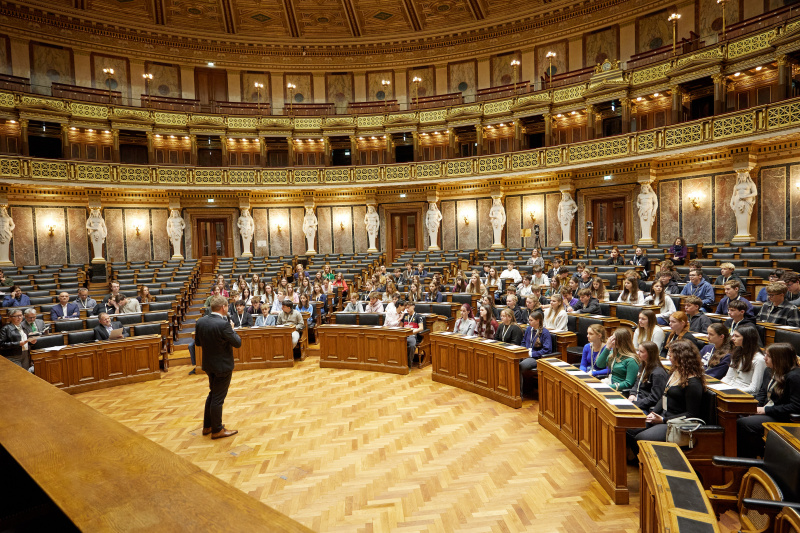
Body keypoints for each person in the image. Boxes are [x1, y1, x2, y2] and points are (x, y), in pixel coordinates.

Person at [628, 340, 705, 449]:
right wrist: (653, 413)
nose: (668, 356)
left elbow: (691, 414)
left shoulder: (693, 383)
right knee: (628, 429)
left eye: (671, 353)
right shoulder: (675, 372)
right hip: (662, 416)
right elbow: (664, 396)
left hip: (675, 423)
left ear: (681, 356)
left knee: (640, 438)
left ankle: (648, 460)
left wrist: (664, 420)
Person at [736, 343, 800, 458]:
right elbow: (762, 393)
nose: (764, 358)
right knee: (737, 414)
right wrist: (754, 408)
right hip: (768, 410)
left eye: (768, 356)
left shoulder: (794, 376)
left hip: (782, 416)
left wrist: (765, 410)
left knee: (744, 423)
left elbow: (795, 407)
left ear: (780, 359)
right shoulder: (769, 371)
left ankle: (753, 460)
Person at [194, 295, 241, 440]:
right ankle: (217, 430)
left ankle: (207, 426)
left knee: (213, 394)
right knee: (218, 398)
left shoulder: (201, 321)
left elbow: (198, 343)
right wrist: (232, 329)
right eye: (227, 306)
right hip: (222, 366)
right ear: (223, 307)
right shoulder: (224, 324)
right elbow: (237, 343)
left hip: (209, 365)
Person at [721, 325, 766, 395]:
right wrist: (718, 387)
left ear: (747, 338)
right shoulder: (737, 352)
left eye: (737, 336)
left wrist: (731, 391)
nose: (732, 338)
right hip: (731, 388)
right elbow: (728, 378)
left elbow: (754, 389)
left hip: (744, 394)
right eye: (733, 335)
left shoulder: (759, 360)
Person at [595, 328, 640, 392]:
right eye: (611, 339)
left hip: (619, 390)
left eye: (614, 339)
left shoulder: (631, 360)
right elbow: (599, 365)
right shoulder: (613, 353)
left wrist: (609, 387)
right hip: (610, 383)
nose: (612, 342)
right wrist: (607, 348)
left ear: (622, 342)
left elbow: (629, 383)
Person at [628, 341, 668, 413]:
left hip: (645, 407)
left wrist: (635, 403)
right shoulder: (643, 365)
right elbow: (637, 383)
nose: (638, 353)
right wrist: (632, 394)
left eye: (641, 352)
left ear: (650, 354)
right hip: (636, 399)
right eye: (638, 351)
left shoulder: (658, 373)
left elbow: (654, 398)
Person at [519, 311, 552, 389]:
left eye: (531, 320)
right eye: (529, 320)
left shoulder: (545, 332)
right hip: (525, 355)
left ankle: (519, 392)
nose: (529, 322)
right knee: (511, 362)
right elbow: (523, 342)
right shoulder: (528, 329)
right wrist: (522, 352)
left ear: (537, 321)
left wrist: (531, 354)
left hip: (536, 358)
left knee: (519, 367)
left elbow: (547, 350)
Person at [402, 301, 423, 367]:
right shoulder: (405, 316)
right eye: (406, 308)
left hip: (412, 335)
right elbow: (400, 326)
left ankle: (409, 364)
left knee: (412, 345)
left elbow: (421, 328)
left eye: (408, 307)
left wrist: (411, 332)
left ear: (413, 307)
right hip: (403, 335)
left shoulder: (418, 316)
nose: (407, 309)